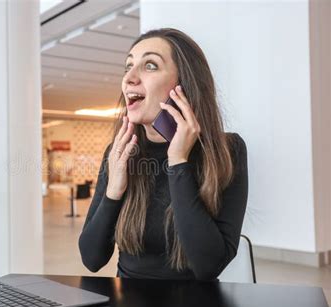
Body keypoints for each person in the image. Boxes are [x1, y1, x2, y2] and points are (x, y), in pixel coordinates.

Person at [78, 28, 248, 281]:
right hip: (127, 302)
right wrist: (114, 191)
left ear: (184, 84)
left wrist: (179, 162)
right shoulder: (120, 152)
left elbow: (208, 266)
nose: (129, 78)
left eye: (150, 65)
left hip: (196, 303)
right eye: (128, 67)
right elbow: (92, 259)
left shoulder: (226, 150)